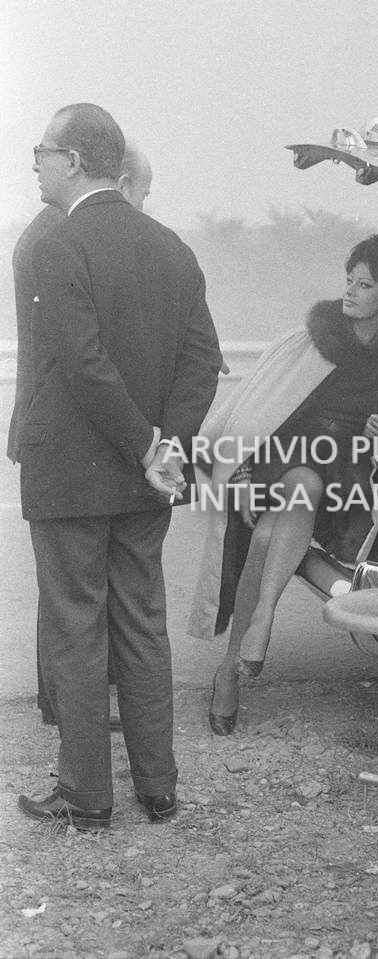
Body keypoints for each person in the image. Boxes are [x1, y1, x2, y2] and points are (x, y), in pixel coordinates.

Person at [17, 103, 222, 829]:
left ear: (73, 160)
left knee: (77, 628)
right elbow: (203, 361)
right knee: (142, 623)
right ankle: (158, 790)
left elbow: (79, 362)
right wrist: (168, 446)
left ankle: (86, 797)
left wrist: (145, 444)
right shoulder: (172, 248)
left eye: (41, 151)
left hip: (71, 477)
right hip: (146, 484)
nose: (33, 162)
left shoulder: (56, 246)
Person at [188, 234, 378, 735]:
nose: (349, 291)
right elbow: (252, 410)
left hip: (346, 480)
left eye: (363, 284)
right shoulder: (311, 339)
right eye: (349, 279)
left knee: (266, 537)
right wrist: (236, 472)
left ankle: (232, 667)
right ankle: (258, 628)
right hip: (277, 464)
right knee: (301, 478)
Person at [8, 141, 154, 727]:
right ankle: (74, 706)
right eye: (141, 194)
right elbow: (83, 352)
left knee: (65, 587)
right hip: (75, 427)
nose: (141, 208)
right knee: (80, 591)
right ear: (119, 182)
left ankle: (63, 701)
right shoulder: (61, 239)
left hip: (47, 421)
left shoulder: (47, 233)